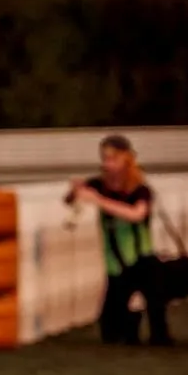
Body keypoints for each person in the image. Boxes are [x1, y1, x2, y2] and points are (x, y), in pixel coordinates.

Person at [65, 134, 173, 346]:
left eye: (113, 158)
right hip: (115, 262)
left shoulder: (140, 189)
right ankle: (131, 326)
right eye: (105, 158)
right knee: (110, 330)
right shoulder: (99, 184)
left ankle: (151, 331)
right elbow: (70, 200)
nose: (108, 164)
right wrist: (75, 191)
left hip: (141, 259)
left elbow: (137, 214)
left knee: (156, 312)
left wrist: (99, 201)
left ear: (126, 159)